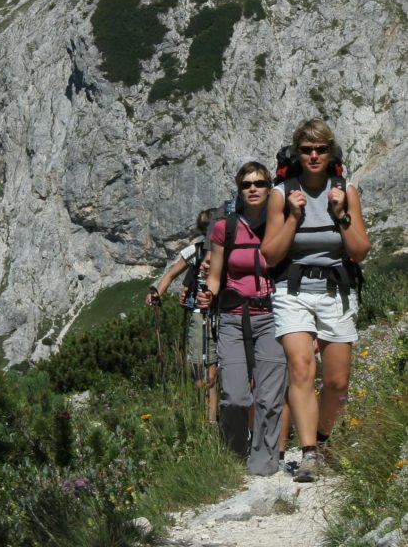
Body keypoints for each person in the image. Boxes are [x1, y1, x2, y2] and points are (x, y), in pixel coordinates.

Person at [261, 118, 370, 483]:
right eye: (306, 150)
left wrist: (340, 215)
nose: (313, 155)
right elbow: (271, 255)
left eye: (320, 149)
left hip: (336, 290)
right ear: (297, 153)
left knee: (338, 383)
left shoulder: (346, 190)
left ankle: (322, 440)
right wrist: (294, 216)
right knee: (301, 365)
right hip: (292, 292)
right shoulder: (281, 194)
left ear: (330, 153)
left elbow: (361, 250)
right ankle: (308, 453)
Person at [197, 161, 287, 476]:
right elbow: (216, 275)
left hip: (273, 315)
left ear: (270, 188)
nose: (253, 188)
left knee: (269, 397)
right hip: (233, 316)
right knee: (235, 396)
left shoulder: (281, 224)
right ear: (239, 189)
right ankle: (235, 455)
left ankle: (263, 466)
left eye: (260, 183)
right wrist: (207, 293)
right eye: (247, 184)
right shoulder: (226, 227)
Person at [145, 210, 218, 405]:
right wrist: (157, 292)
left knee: (208, 367)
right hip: (202, 312)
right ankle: (208, 418)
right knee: (205, 367)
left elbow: (171, 275)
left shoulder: (222, 250)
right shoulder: (196, 251)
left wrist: (158, 293)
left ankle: (209, 418)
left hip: (219, 312)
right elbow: (170, 274)